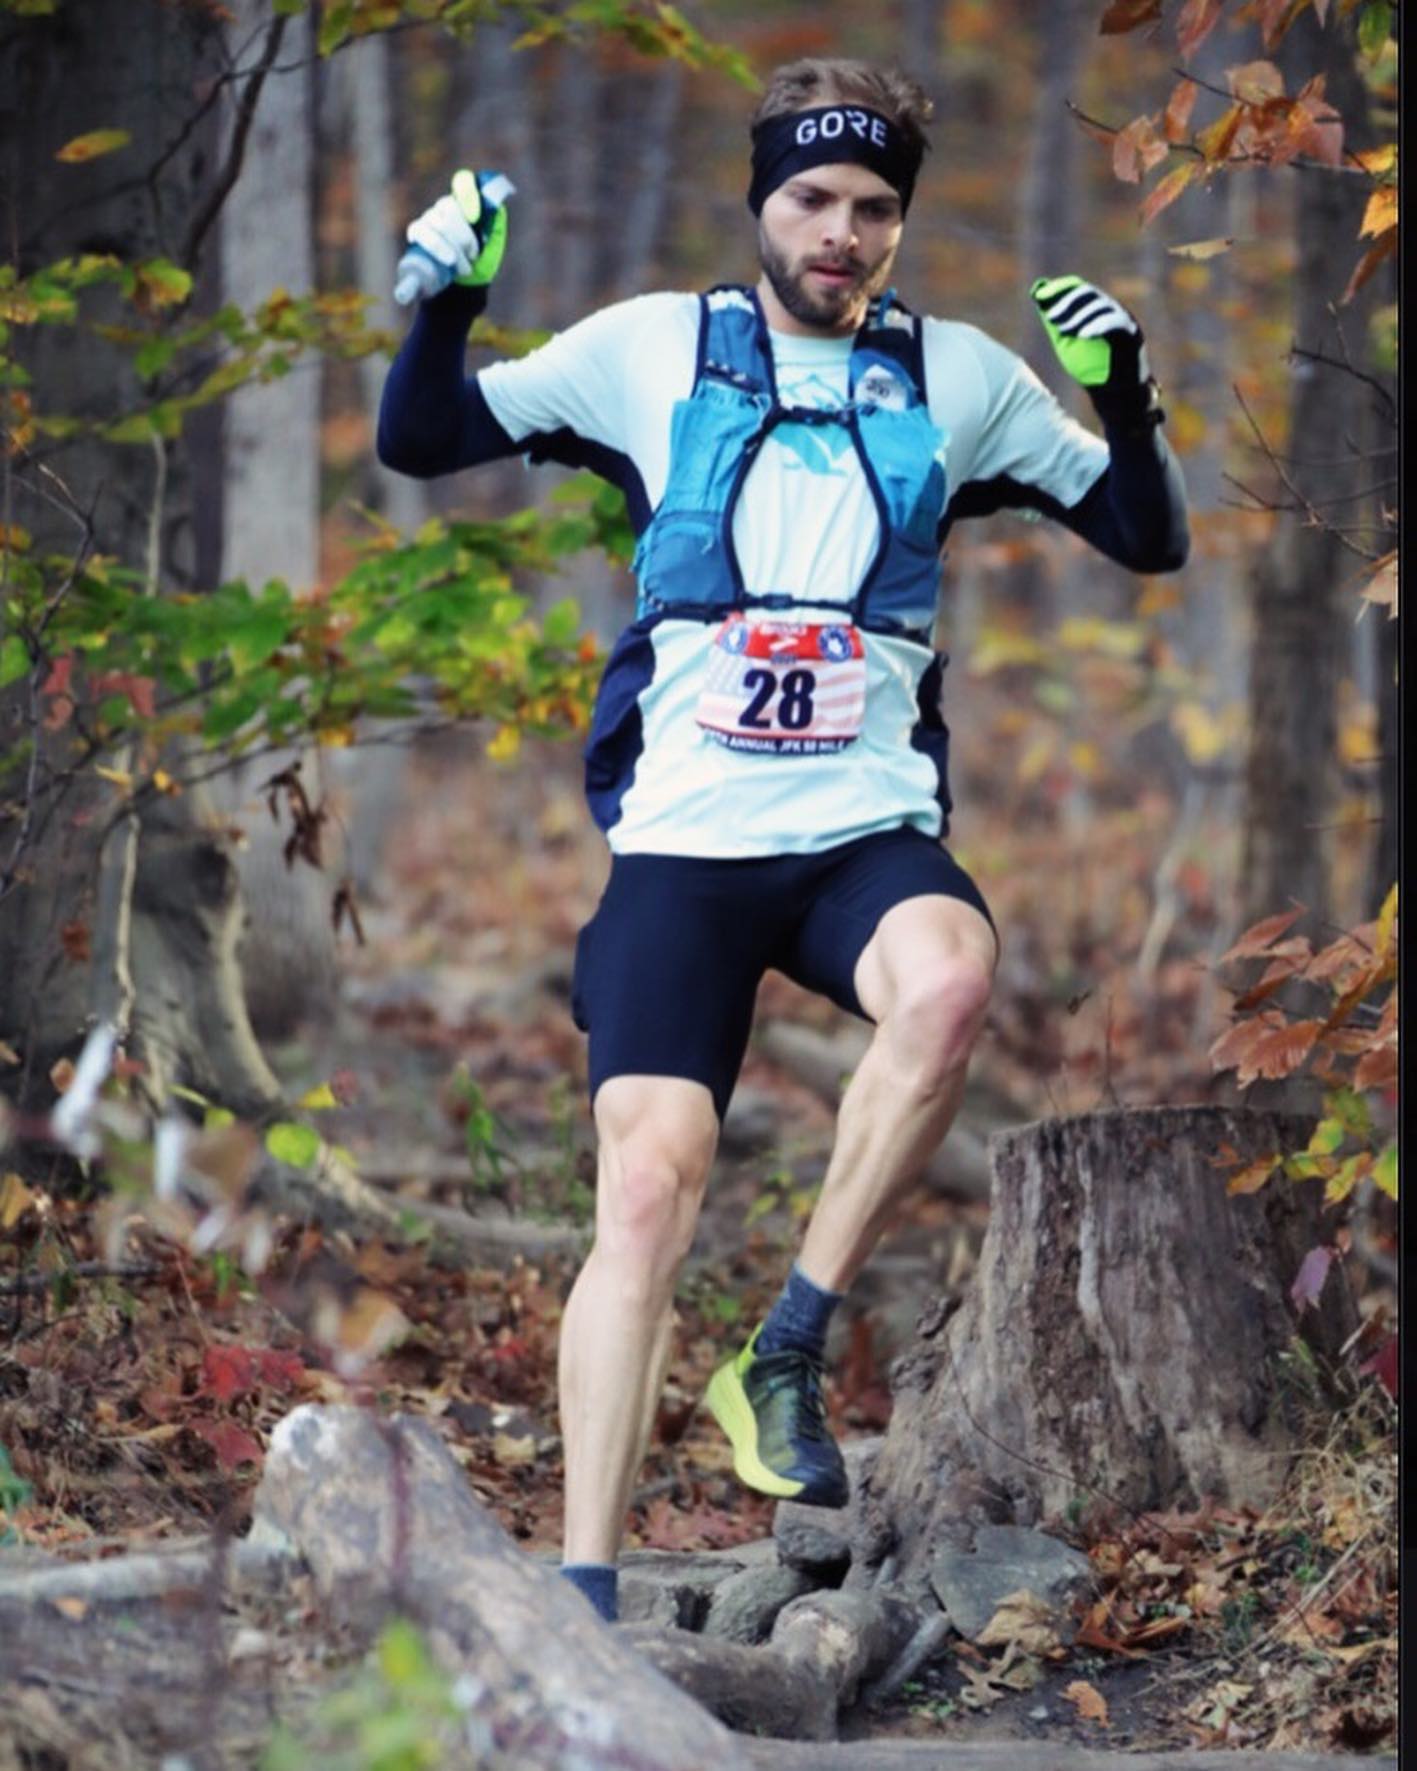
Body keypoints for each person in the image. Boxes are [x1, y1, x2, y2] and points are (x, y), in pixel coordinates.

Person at [378, 56, 1189, 1624]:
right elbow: (424, 439)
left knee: (949, 978)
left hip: (858, 832)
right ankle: (586, 1593)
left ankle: (788, 1346)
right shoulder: (651, 348)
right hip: (685, 843)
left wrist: (1126, 396)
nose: (840, 233)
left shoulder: (956, 378)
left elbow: (1143, 536)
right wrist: (446, 301)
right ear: (760, 200)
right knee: (646, 1191)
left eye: (873, 208)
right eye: (811, 199)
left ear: (899, 222)